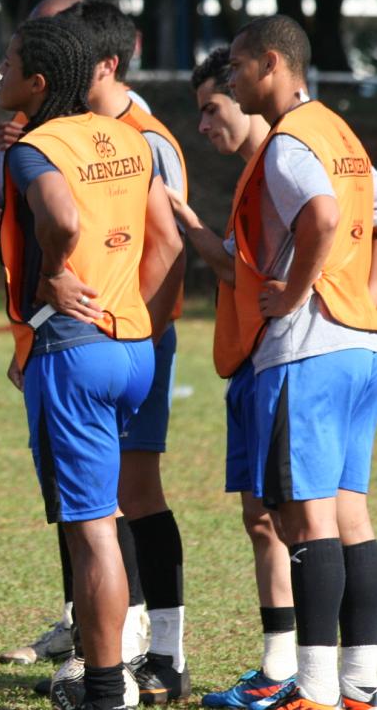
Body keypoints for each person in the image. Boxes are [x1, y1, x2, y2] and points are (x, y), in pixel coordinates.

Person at [0, 15, 183, 710]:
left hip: (74, 351)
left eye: (6, 62)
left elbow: (63, 220)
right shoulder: (126, 139)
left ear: (37, 82)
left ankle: (105, 689)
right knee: (102, 519)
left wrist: (50, 274)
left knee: (90, 528)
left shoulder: (35, 147)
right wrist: (135, 318)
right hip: (132, 346)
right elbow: (165, 241)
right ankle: (110, 675)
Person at [219, 15, 377, 710]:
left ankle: (311, 687)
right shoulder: (344, 134)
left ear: (272, 65)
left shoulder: (287, 143)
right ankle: (360, 681)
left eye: (236, 66)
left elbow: (317, 214)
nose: (229, 79)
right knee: (351, 516)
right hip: (359, 341)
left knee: (309, 522)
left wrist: (298, 285)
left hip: (307, 348)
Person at [63, 0, 191, 705]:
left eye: (74, 59)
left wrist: (139, 324)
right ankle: (115, 647)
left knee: (136, 491)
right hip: (88, 342)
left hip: (134, 338)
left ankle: (166, 653)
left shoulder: (148, 139)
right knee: (93, 498)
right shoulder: (72, 131)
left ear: (107, 63)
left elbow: (168, 250)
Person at [167, 48, 298, 709]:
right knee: (262, 518)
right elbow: (235, 270)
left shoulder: (284, 157)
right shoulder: (256, 170)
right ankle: (279, 664)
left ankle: (314, 669)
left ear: (244, 90)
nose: (202, 125)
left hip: (288, 362)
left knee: (295, 518)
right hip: (252, 363)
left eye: (210, 108)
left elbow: (348, 219)